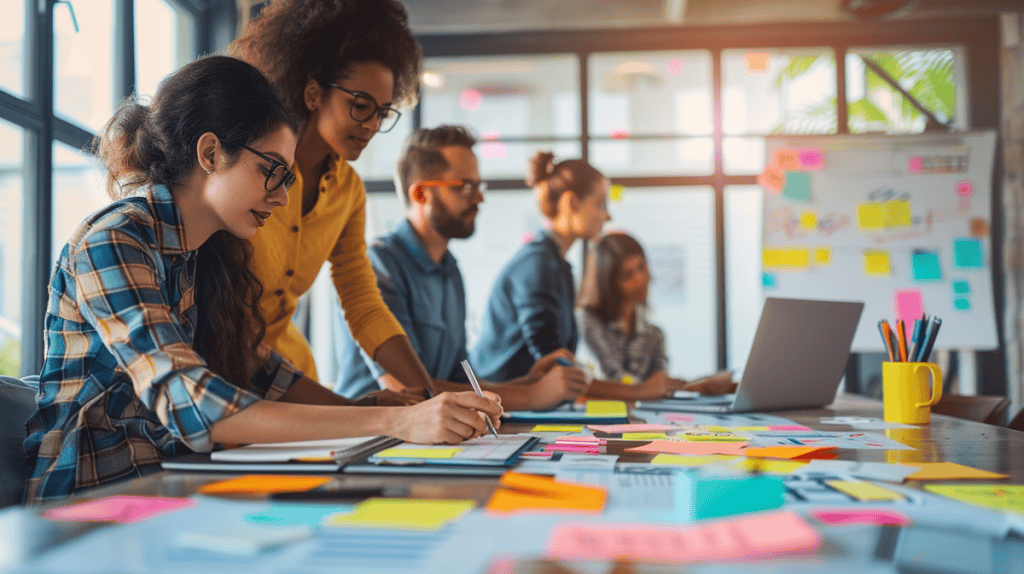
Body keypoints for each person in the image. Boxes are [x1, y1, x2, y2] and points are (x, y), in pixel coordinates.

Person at [22, 56, 501, 503]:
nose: (280, 196)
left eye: (289, 178)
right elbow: (197, 406)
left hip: (178, 491)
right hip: (91, 505)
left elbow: (266, 373)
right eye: (272, 171)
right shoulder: (114, 243)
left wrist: (373, 415)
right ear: (210, 152)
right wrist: (397, 420)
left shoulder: (208, 253)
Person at [230, 0, 436, 396]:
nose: (372, 125)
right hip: (232, 379)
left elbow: (362, 302)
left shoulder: (348, 191)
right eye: (360, 106)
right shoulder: (250, 172)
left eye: (382, 113)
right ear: (312, 94)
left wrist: (427, 395)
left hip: (294, 378)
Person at [332, 126, 590, 409]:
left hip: (429, 438)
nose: (479, 198)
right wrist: (531, 396)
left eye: (479, 187)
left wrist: (527, 383)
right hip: (372, 439)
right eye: (466, 187)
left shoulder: (450, 271)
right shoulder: (380, 267)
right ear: (421, 195)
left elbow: (458, 381)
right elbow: (412, 391)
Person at [469, 152, 611, 382]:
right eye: (600, 204)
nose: (607, 216)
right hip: (501, 402)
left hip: (527, 400)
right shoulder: (538, 264)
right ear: (571, 202)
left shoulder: (556, 263)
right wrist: (639, 391)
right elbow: (555, 365)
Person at [576, 232, 736, 400]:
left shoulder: (654, 335)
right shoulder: (586, 322)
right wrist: (658, 387)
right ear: (608, 283)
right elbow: (610, 380)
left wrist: (702, 385)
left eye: (642, 267)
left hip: (641, 420)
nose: (640, 279)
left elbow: (658, 389)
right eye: (627, 275)